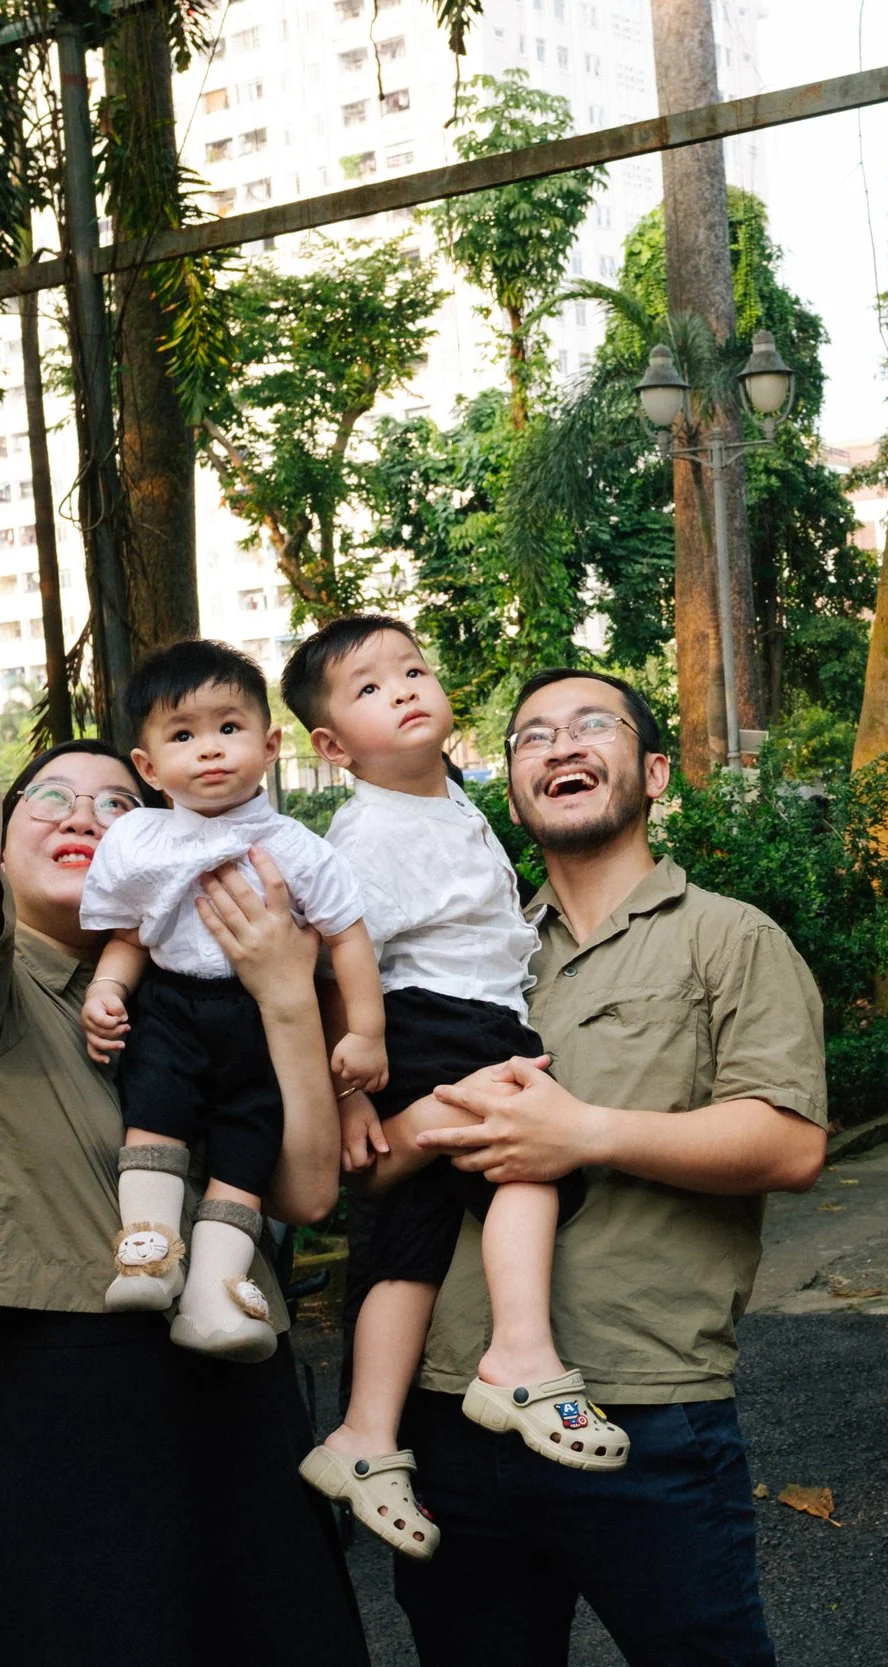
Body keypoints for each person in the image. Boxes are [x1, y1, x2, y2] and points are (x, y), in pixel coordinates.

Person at [0, 396, 370, 1667]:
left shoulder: (228, 967)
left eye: (116, 802)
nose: (85, 812)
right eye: (54, 796)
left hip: (241, 1363)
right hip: (82, 1384)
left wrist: (287, 993)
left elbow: (302, 1182)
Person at [366, 668, 828, 1666]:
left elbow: (788, 1142)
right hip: (447, 1416)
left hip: (646, 1411)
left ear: (654, 771)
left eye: (592, 726)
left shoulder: (729, 938)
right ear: (514, 785)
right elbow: (353, 1166)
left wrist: (588, 1135)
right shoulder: (464, 957)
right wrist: (421, 1127)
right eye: (532, 735)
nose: (560, 745)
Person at [281, 617, 629, 1561]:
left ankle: (362, 1433)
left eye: (414, 669)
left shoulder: (452, 801)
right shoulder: (363, 830)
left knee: (409, 1245)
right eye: (368, 688)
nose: (402, 689)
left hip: (455, 1016)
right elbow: (325, 964)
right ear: (331, 746)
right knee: (527, 1162)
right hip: (436, 1021)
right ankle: (520, 1354)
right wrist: (354, 1086)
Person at [78, 638, 386, 1360]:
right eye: (183, 735)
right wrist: (106, 988)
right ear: (149, 767)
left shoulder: (297, 847)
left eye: (229, 727)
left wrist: (366, 1031)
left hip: (261, 1023)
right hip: (172, 1010)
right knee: (153, 1116)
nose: (209, 749)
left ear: (270, 743)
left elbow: (348, 939)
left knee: (246, 1152)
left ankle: (215, 1301)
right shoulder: (140, 838)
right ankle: (149, 1258)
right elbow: (131, 936)